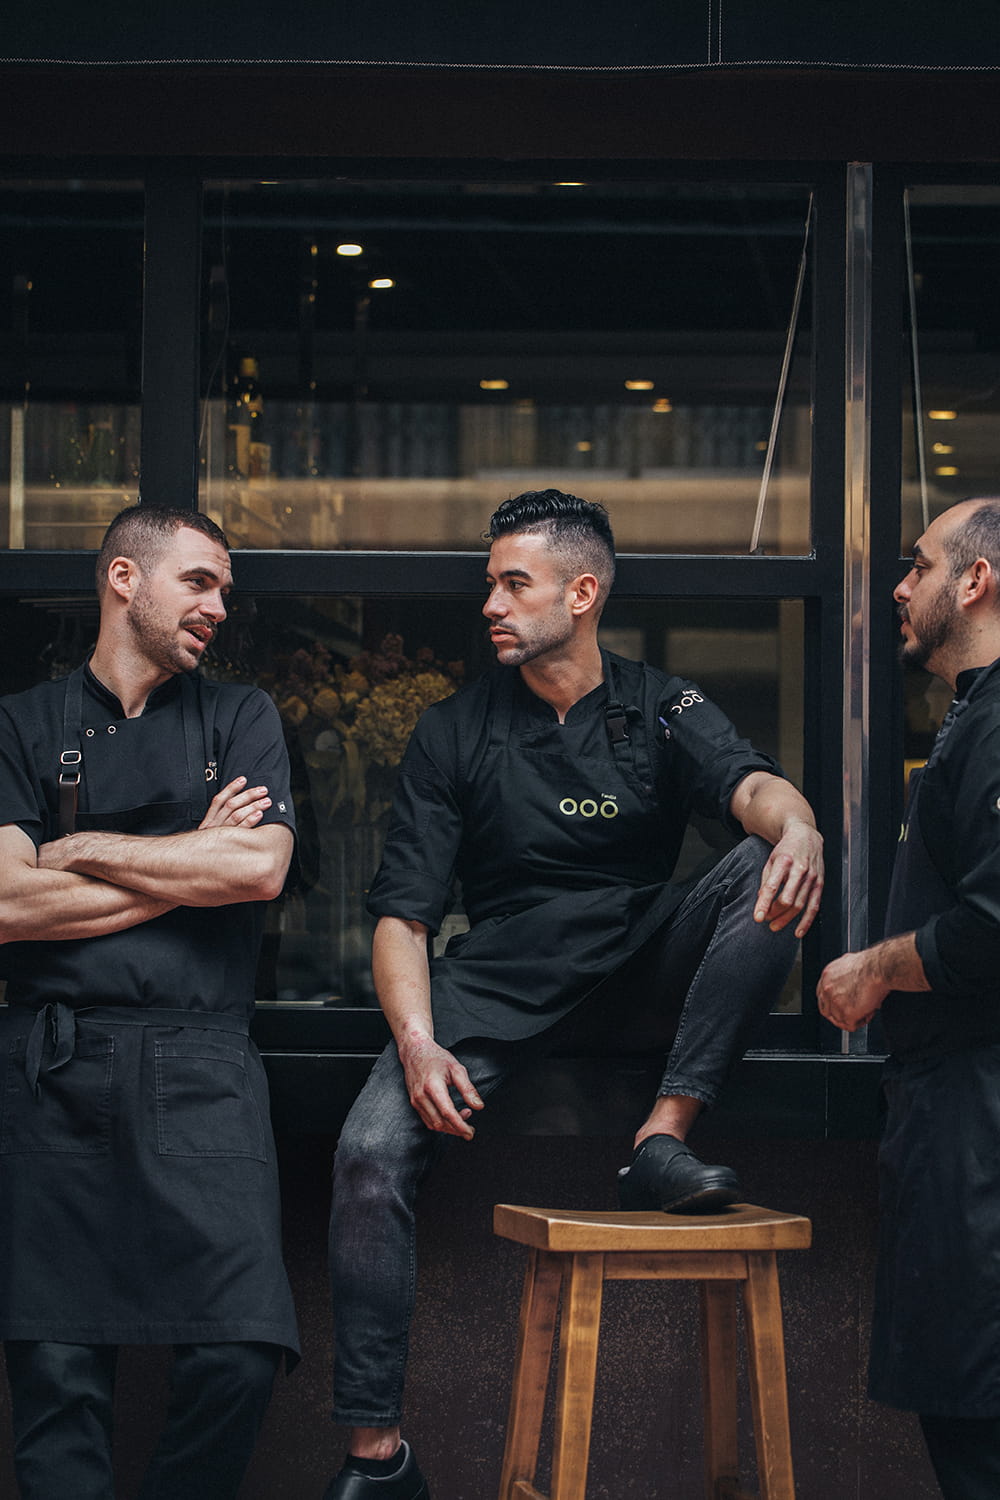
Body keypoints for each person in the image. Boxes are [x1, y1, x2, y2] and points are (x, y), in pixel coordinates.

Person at [323, 489, 823, 1500]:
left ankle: (661, 1140)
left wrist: (802, 827)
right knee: (368, 1155)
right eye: (491, 584)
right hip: (497, 982)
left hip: (640, 963)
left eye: (514, 584)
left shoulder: (662, 705)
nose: (491, 605)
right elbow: (403, 917)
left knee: (768, 861)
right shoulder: (453, 729)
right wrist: (417, 1043)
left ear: (581, 593)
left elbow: (752, 788)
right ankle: (378, 1457)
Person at [0, 505, 299, 1500]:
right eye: (199, 582)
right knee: (56, 1374)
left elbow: (256, 869)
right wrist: (187, 864)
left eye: (225, 589)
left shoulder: (241, 718)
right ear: (124, 579)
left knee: (239, 1354)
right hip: (54, 1074)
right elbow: (5, 905)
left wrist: (79, 849)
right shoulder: (21, 725)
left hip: (204, 1070)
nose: (220, 606)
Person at [818, 496, 1000, 1500]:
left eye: (919, 564)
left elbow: (994, 927)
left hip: (982, 1123)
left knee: (978, 1434)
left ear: (975, 580)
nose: (898, 585)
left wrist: (875, 968)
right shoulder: (974, 715)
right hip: (954, 1117)